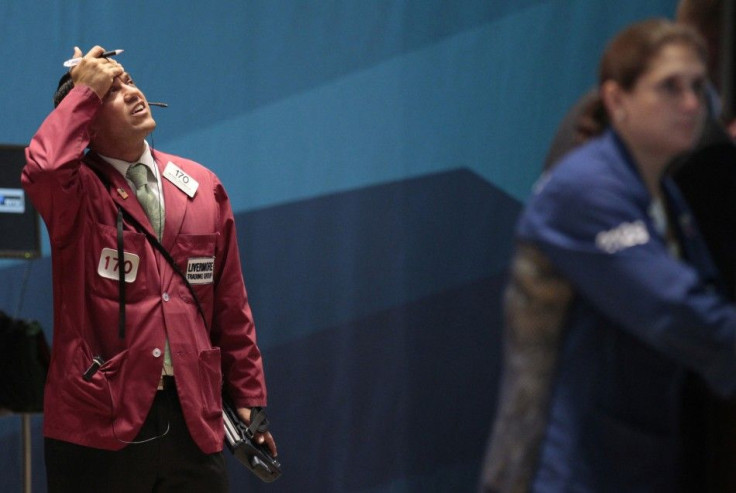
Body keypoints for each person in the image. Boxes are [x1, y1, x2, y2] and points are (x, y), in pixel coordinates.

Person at [480, 19, 736, 492]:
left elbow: (709, 293)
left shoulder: (662, 193)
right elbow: (672, 309)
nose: (690, 105)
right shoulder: (585, 190)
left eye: (698, 88)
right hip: (569, 468)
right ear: (618, 101)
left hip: (636, 459)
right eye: (669, 88)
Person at [22, 46, 277, 492]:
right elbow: (43, 168)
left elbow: (232, 306)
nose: (133, 91)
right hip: (98, 419)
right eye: (112, 91)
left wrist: (250, 398)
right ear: (86, 120)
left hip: (194, 419)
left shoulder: (202, 185)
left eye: (129, 80)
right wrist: (85, 87)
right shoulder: (75, 192)